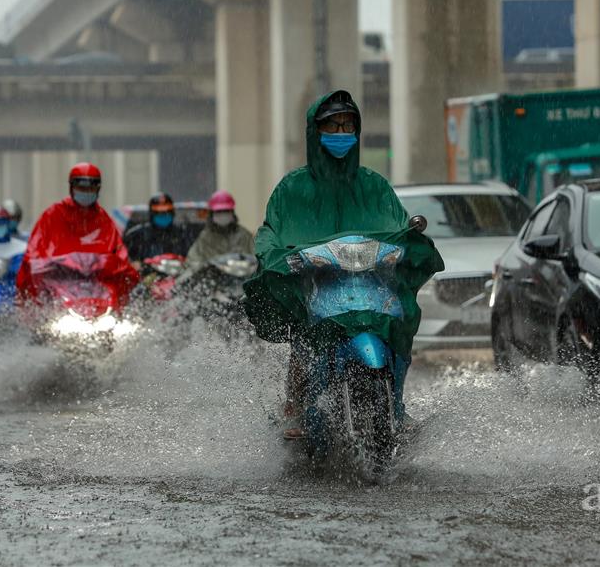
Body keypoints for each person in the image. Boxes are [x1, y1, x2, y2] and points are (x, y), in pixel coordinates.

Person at [242, 90, 443, 436]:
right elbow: (271, 231)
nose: (340, 133)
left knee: (398, 323)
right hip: (318, 283)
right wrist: (277, 254)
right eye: (332, 126)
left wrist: (409, 243)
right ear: (315, 132)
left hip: (369, 284)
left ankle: (396, 403)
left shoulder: (373, 185)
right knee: (306, 338)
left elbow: (398, 224)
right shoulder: (292, 189)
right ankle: (297, 406)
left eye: (348, 125)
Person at [16, 162, 138, 303]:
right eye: (81, 187)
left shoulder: (104, 221)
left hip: (98, 292)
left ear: (98, 189)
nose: (86, 192)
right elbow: (33, 254)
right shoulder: (53, 216)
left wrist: (120, 269)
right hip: (58, 291)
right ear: (71, 188)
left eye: (91, 188)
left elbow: (119, 256)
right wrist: (47, 267)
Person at [122, 192, 196, 266]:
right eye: (159, 213)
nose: (164, 216)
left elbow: (194, 258)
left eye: (167, 212)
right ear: (152, 214)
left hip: (179, 274)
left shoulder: (183, 234)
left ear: (172, 213)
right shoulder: (137, 236)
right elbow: (124, 257)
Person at [186, 190, 254, 267]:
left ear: (232, 212)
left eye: (226, 211)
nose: (223, 215)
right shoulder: (205, 238)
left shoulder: (244, 235)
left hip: (242, 276)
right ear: (212, 214)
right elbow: (192, 261)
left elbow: (258, 260)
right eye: (219, 212)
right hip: (213, 277)